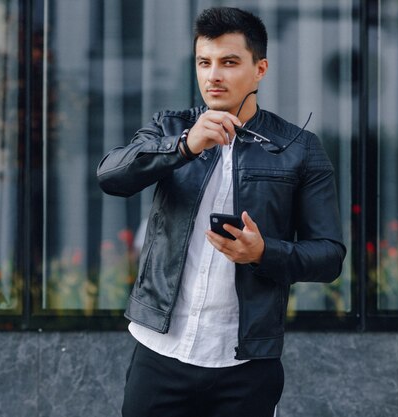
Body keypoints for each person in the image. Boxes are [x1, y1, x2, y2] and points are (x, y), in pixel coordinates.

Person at [97, 6, 345, 417]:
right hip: (161, 352)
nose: (213, 75)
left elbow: (330, 255)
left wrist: (264, 254)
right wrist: (183, 147)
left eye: (229, 62)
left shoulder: (299, 148)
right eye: (204, 62)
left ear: (260, 68)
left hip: (245, 362)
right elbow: (111, 176)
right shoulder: (170, 128)